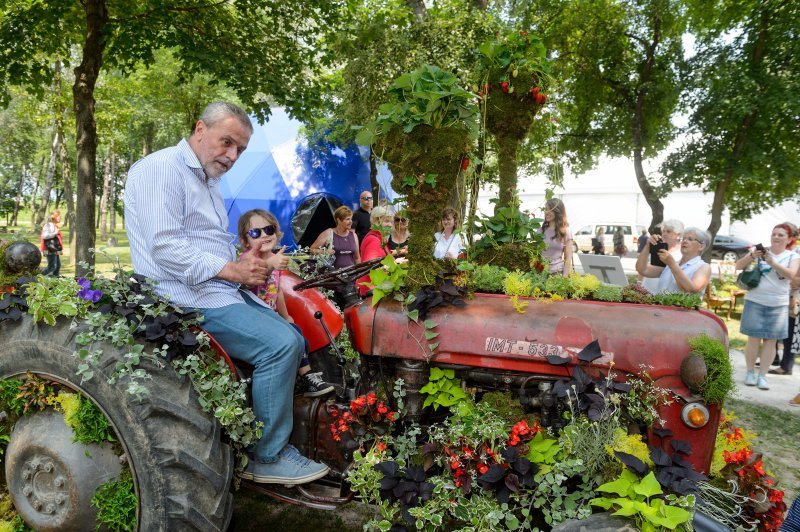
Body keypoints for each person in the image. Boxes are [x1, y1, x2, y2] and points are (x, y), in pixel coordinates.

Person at [125, 101, 329, 485]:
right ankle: (266, 457)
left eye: (240, 149)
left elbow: (205, 243)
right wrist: (233, 270)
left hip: (217, 290)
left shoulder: (207, 178)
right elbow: (165, 247)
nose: (232, 155)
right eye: (227, 142)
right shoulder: (161, 168)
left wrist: (246, 267)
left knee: (297, 333)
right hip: (184, 297)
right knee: (281, 345)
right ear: (200, 129)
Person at [237, 209, 334, 397]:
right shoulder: (248, 259)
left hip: (271, 315)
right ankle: (306, 377)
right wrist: (271, 262)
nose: (264, 235)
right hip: (254, 317)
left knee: (298, 334)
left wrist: (286, 316)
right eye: (256, 233)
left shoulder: (276, 257)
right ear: (244, 241)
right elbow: (249, 278)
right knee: (293, 336)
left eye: (269, 229)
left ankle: (300, 376)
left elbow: (277, 290)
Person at [735, 223, 800, 391]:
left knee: (771, 341)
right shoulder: (760, 252)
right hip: (755, 301)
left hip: (778, 305)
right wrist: (751, 256)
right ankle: (750, 373)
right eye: (774, 234)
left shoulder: (792, 256)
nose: (776, 237)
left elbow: (791, 275)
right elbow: (738, 266)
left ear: (789, 239)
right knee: (753, 338)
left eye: (780, 235)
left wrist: (772, 262)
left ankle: (762, 376)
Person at [635, 227, 712, 296]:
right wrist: (648, 246)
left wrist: (672, 264)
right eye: (684, 238)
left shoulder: (704, 267)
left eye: (690, 239)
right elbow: (642, 270)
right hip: (660, 310)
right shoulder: (672, 263)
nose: (685, 241)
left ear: (701, 246)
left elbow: (691, 289)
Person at [771, 223, 799, 375]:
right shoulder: (791, 252)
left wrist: (791, 279)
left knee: (790, 333)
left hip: (794, 298)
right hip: (786, 296)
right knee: (779, 331)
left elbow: (794, 277)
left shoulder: (795, 254)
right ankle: (775, 359)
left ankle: (786, 366)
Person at [357, 206, 394, 297]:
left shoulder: (379, 238)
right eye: (386, 221)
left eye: (391, 222)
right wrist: (393, 267)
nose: (390, 225)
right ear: (375, 221)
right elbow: (371, 268)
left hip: (374, 290)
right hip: (370, 292)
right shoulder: (374, 240)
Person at [640, 219, 684, 293]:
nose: (664, 234)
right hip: (646, 292)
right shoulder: (655, 247)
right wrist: (639, 283)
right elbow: (643, 268)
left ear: (678, 235)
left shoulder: (681, 253)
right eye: (663, 231)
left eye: (668, 231)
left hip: (665, 296)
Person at [540, 198, 572, 276]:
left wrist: (564, 278)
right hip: (540, 273)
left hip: (557, 274)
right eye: (546, 209)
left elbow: (568, 258)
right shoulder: (541, 230)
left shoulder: (566, 231)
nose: (546, 212)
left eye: (550, 209)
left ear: (558, 211)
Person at [40, 210, 63, 277]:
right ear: (54, 217)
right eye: (59, 216)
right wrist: (55, 232)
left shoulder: (54, 225)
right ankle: (38, 277)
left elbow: (57, 240)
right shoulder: (48, 225)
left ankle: (55, 280)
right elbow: (45, 236)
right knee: (52, 267)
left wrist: (59, 251)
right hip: (49, 249)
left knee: (58, 266)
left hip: (54, 248)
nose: (60, 218)